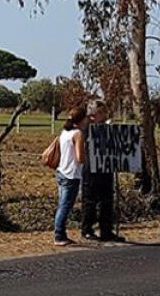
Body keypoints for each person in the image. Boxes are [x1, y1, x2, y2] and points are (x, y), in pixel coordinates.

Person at [81, 100, 125, 242]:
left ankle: (106, 230)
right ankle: (87, 229)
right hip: (91, 169)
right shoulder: (85, 129)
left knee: (107, 200)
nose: (105, 115)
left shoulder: (108, 128)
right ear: (95, 114)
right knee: (90, 201)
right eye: (102, 112)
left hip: (106, 168)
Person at [53, 107, 88, 246]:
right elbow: (80, 157)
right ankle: (59, 235)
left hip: (62, 171)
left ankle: (60, 233)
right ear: (81, 120)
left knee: (62, 204)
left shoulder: (64, 133)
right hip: (72, 174)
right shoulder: (78, 134)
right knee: (65, 206)